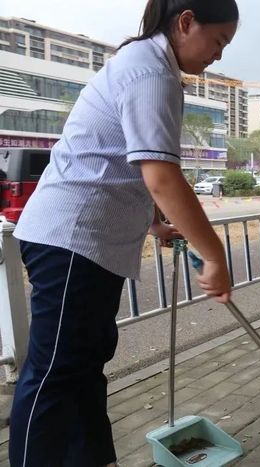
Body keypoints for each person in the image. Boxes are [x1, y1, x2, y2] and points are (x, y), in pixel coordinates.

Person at [9, 1, 239, 465]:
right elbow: (161, 176)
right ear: (186, 21)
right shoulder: (148, 70)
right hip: (71, 238)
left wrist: (151, 221)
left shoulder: (155, 68)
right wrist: (213, 253)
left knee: (83, 366)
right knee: (54, 376)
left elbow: (128, 161)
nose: (218, 56)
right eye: (217, 41)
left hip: (87, 242)